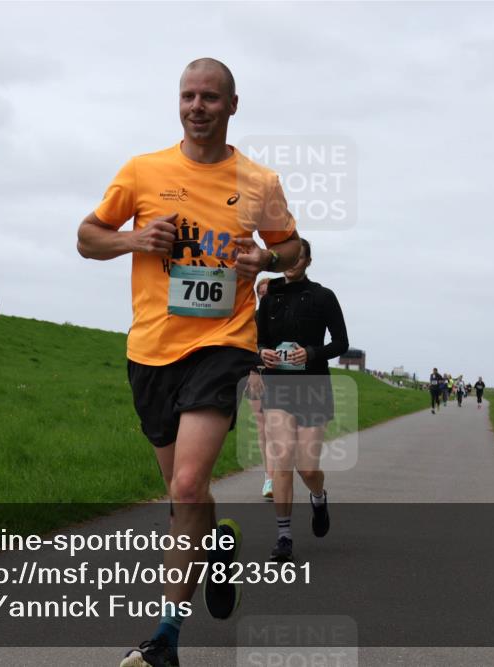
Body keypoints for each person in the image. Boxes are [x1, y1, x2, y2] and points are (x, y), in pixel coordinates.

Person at [76, 58, 300, 667]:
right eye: (187, 96)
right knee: (185, 502)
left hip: (223, 345)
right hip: (150, 351)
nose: (196, 106)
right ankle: (218, 546)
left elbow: (297, 252)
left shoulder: (259, 182)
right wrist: (134, 238)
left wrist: (269, 262)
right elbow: (86, 237)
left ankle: (165, 638)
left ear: (232, 105)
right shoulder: (143, 171)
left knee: (186, 484)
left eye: (209, 97)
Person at [257, 238, 348, 563]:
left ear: (308, 260)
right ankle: (284, 537)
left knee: (307, 468)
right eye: (286, 257)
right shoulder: (269, 299)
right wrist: (261, 354)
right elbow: (257, 342)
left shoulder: (323, 297)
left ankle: (319, 497)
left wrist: (310, 353)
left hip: (312, 387)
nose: (292, 261)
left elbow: (341, 343)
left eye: (298, 257)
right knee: (282, 460)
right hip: (278, 387)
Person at [250, 277, 273, 500]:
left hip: (283, 378)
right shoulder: (251, 319)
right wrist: (252, 371)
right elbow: (244, 347)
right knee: (263, 427)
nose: (264, 295)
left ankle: (282, 470)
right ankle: (269, 478)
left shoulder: (284, 318)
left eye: (268, 291)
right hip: (257, 375)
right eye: (261, 292)